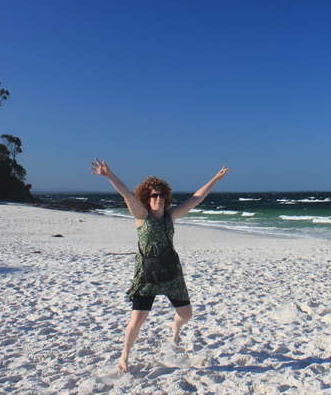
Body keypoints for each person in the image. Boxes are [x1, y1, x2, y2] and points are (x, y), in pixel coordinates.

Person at [90, 159, 230, 373]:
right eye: (154, 195)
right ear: (147, 198)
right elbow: (126, 194)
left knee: (186, 315)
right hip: (146, 274)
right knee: (137, 320)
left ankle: (175, 327)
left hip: (171, 271)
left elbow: (196, 198)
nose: (159, 198)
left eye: (162, 195)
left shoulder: (170, 216)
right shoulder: (142, 216)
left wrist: (216, 179)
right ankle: (124, 356)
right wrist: (109, 175)